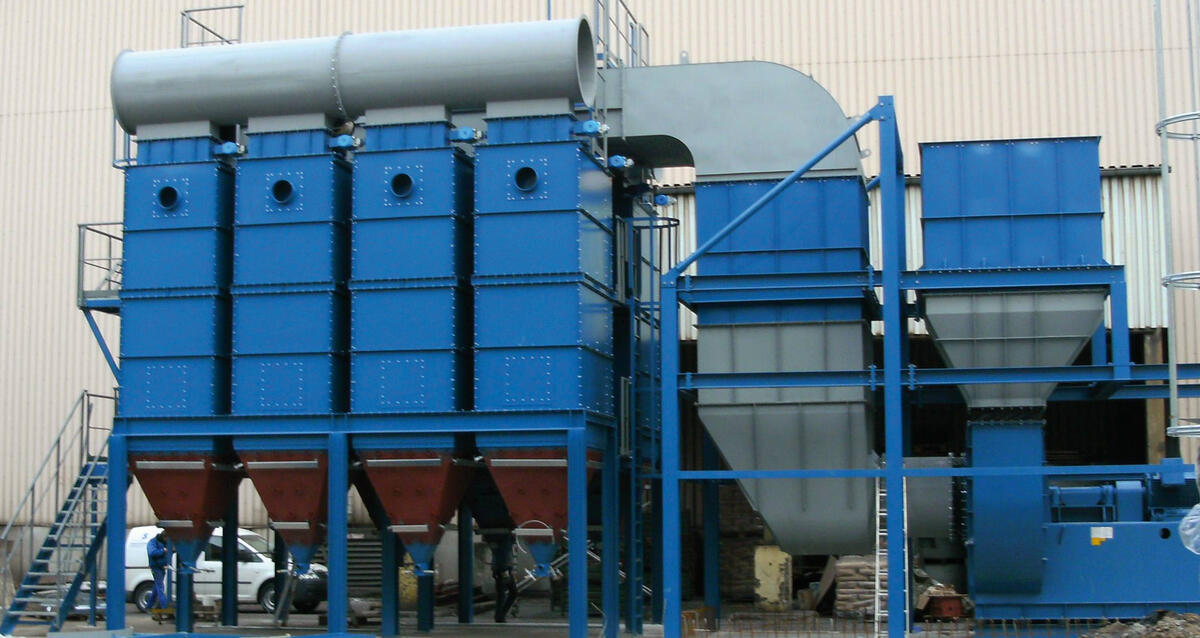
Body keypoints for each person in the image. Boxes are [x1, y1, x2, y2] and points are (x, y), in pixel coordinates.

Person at [146, 531, 172, 610]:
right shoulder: (152, 542)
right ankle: (164, 606)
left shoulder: (165, 542)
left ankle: (149, 605)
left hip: (162, 567)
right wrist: (163, 551)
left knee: (157, 587)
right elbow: (152, 553)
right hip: (156, 567)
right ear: (164, 537)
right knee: (160, 586)